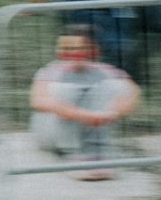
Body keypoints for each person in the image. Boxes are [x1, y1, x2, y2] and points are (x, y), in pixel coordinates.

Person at [29, 28, 139, 179]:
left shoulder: (105, 70)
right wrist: (85, 115)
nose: (76, 52)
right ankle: (74, 155)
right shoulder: (51, 71)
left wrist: (108, 113)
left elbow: (131, 93)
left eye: (83, 47)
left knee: (114, 85)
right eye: (70, 48)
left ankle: (98, 153)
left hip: (91, 133)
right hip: (52, 134)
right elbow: (38, 101)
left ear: (94, 49)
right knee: (63, 89)